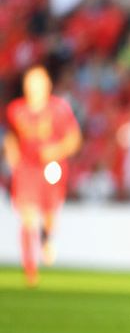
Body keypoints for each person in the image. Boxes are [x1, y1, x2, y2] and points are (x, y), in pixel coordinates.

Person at [3, 65, 82, 287]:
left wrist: (55, 151)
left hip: (52, 168)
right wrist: (12, 155)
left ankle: (47, 237)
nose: (33, 87)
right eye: (30, 82)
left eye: (38, 82)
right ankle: (30, 270)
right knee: (28, 217)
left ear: (47, 85)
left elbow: (73, 139)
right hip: (27, 169)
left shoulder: (59, 109)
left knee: (49, 215)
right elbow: (11, 136)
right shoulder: (15, 110)